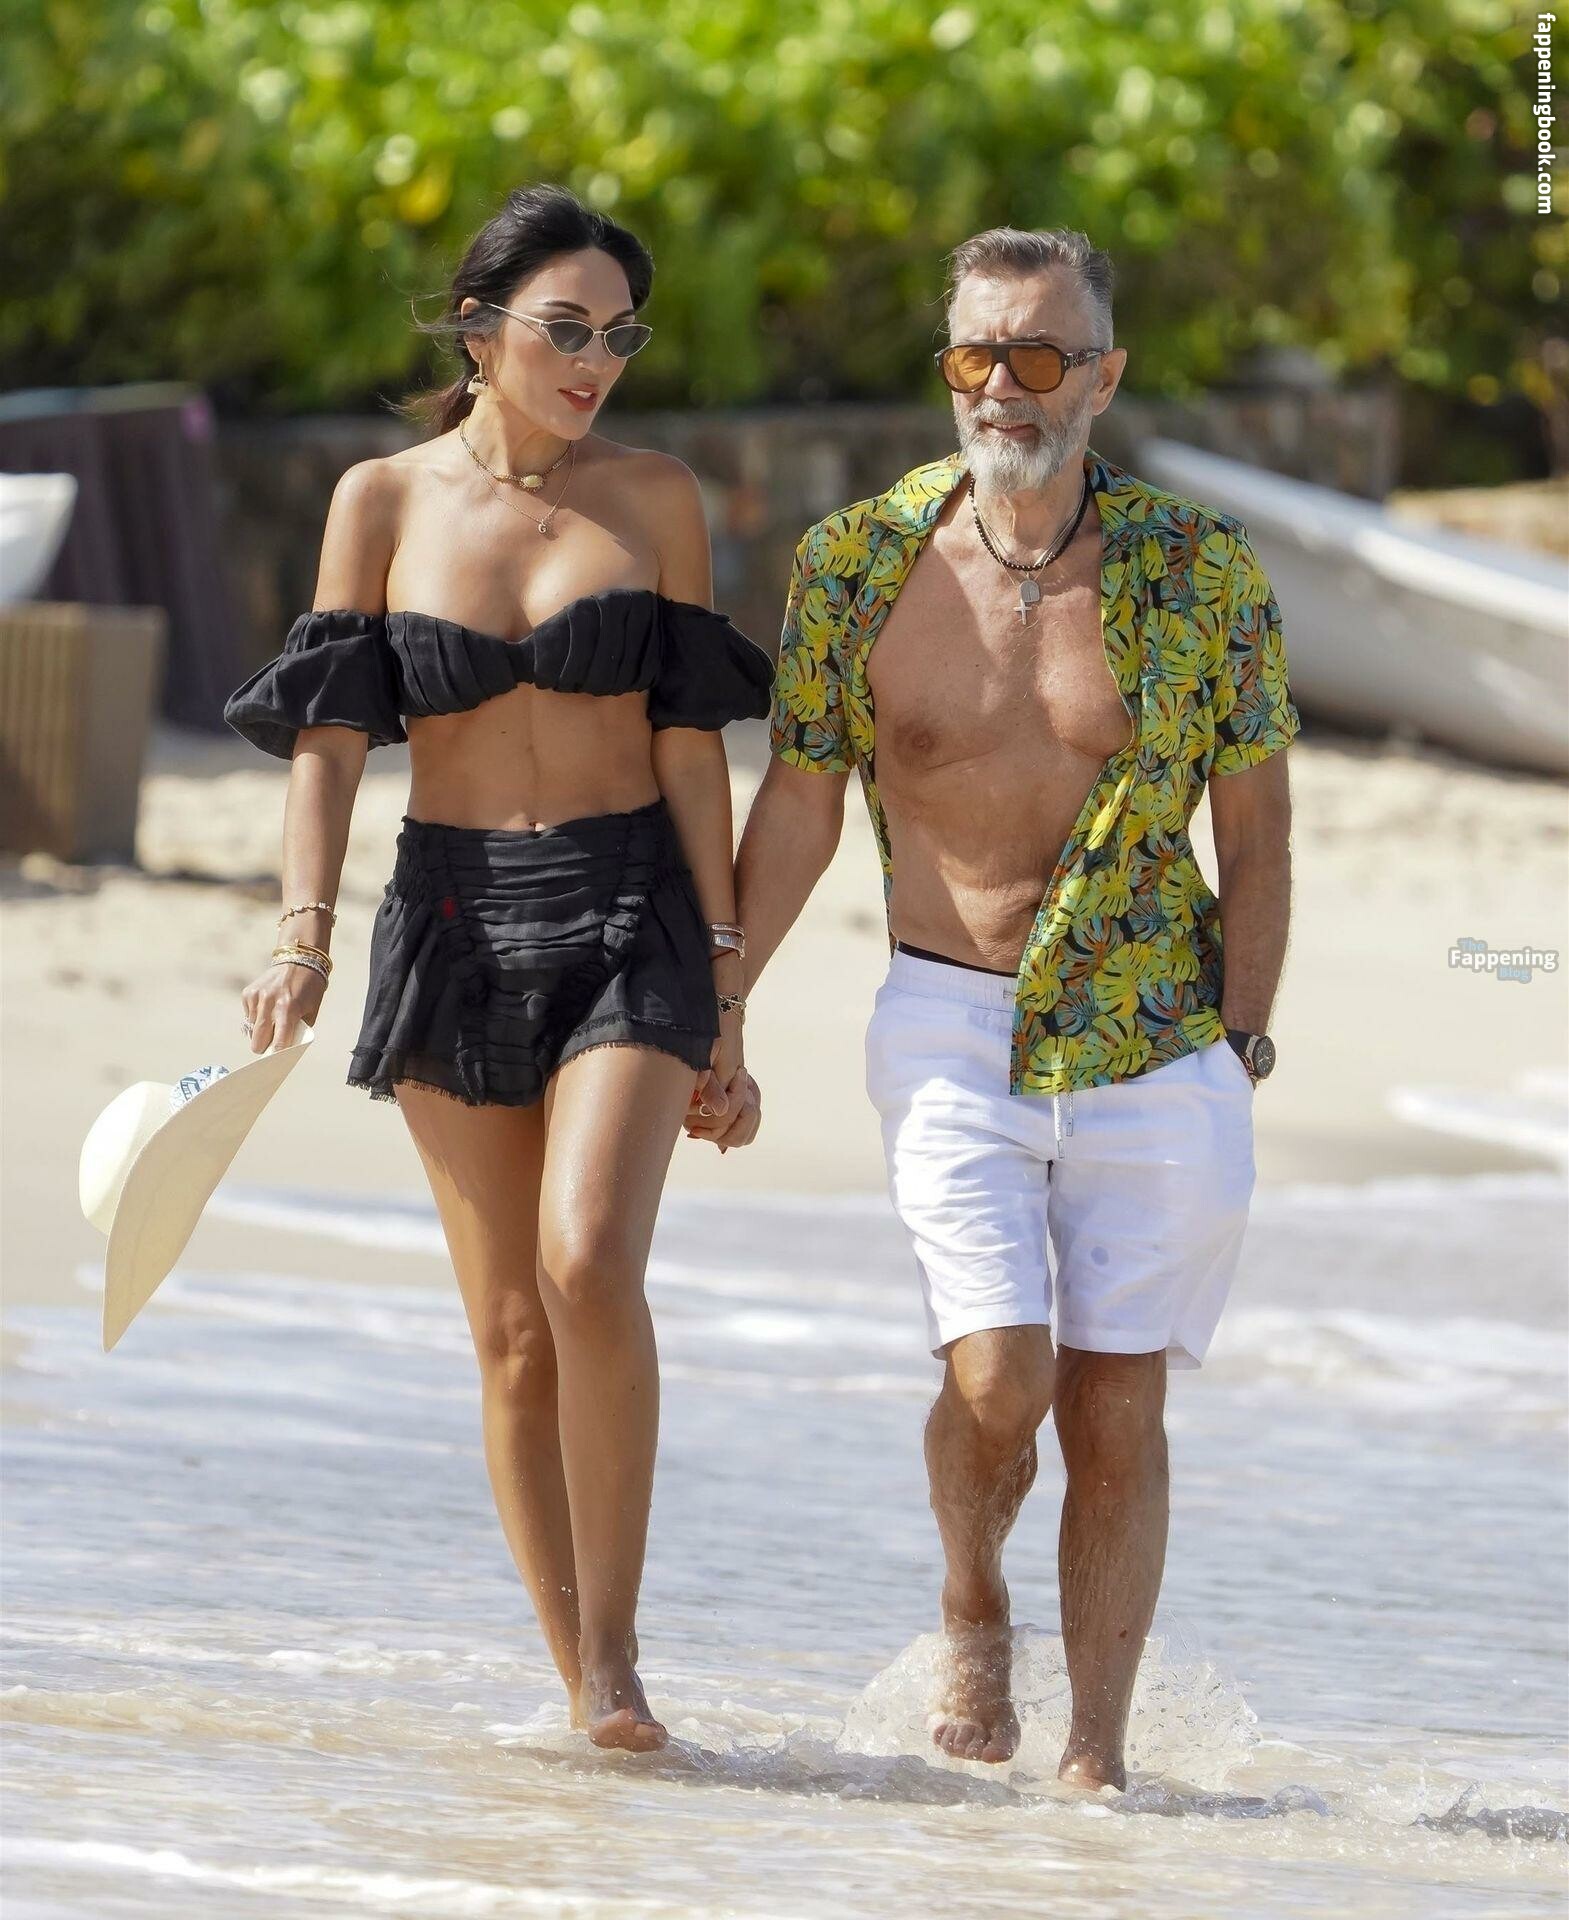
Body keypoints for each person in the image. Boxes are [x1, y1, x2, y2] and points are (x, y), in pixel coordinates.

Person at [701, 226, 1297, 1789]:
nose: (1004, 387)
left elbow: (1255, 829)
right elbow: (799, 804)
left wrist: (1239, 1042)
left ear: (1102, 376)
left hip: (1154, 1033)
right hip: (949, 1019)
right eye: (977, 353)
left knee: (1115, 1411)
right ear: (946, 368)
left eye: (1040, 355)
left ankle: (1094, 1760)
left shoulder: (1199, 570)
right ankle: (973, 1598)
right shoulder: (857, 562)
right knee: (998, 1379)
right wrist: (723, 1006)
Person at [224, 183, 767, 1752]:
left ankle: (622, 1656)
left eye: (620, 336)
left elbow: (691, 744)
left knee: (586, 1263)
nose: (595, 362)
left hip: (629, 913)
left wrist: (726, 993)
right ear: (477, 331)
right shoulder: (381, 502)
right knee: (512, 1334)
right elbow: (331, 739)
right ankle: (583, 1683)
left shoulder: (653, 498)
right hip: (452, 920)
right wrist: (302, 932)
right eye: (565, 330)